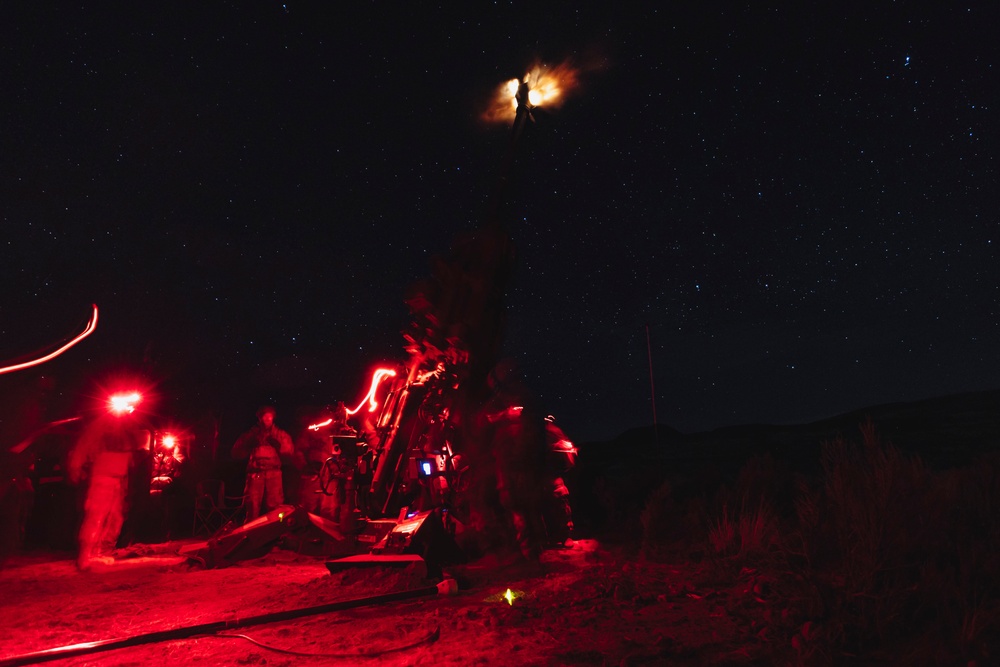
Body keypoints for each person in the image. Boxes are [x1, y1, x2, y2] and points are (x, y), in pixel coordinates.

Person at [68, 396, 151, 571]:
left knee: (114, 519)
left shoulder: (128, 428)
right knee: (96, 517)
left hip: (119, 480)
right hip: (103, 478)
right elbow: (84, 444)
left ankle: (100, 553)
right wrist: (76, 466)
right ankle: (85, 557)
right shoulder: (101, 426)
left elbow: (138, 448)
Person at [294, 403, 356, 528]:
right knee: (308, 507)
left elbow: (352, 453)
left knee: (329, 510)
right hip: (315, 474)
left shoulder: (346, 431)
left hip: (332, 476)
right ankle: (306, 537)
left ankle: (327, 538)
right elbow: (298, 449)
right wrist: (305, 466)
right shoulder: (315, 430)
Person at [231, 406, 293, 522]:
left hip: (274, 473)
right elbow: (236, 453)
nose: (267, 419)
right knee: (252, 506)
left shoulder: (280, 435)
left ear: (273, 418)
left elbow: (290, 452)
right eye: (265, 416)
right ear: (259, 418)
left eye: (270, 416)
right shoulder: (250, 435)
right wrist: (248, 445)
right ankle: (250, 533)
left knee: (276, 506)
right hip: (256, 473)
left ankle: (277, 530)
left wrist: (279, 447)